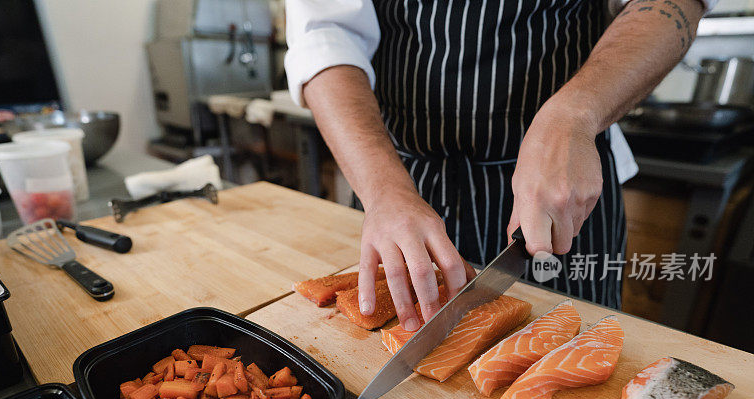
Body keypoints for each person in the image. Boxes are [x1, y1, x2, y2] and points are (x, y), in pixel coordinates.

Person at [285, 0, 710, 332]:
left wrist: (574, 116)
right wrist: (383, 191)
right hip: (401, 181)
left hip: (559, 184)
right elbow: (325, 32)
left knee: (573, 338)